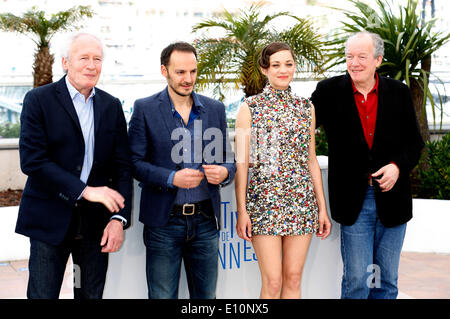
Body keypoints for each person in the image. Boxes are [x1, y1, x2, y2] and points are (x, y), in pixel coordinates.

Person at [15, 33, 133, 299]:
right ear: (65, 62)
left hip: (94, 226)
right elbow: (33, 161)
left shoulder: (111, 106)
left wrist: (118, 218)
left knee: (90, 295)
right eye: (84, 58)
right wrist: (85, 190)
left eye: (97, 59)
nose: (92, 65)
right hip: (49, 219)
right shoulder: (38, 100)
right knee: (43, 295)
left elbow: (122, 167)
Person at [310, 31, 424, 299]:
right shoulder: (328, 91)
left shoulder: (399, 92)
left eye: (362, 56)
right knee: (357, 281)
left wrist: (397, 167)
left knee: (387, 282)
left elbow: (415, 144)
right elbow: (301, 127)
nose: (355, 63)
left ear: (378, 60)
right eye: (350, 57)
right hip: (353, 202)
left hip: (393, 199)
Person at [128, 42, 236, 299]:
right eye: (180, 72)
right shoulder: (145, 108)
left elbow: (229, 160)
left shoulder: (215, 109)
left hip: (206, 220)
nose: (188, 79)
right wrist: (171, 178)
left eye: (193, 72)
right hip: (164, 223)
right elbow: (133, 162)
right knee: (162, 296)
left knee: (205, 298)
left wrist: (224, 173)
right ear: (164, 71)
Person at [235, 42, 331, 299]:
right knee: (273, 282)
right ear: (264, 69)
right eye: (276, 65)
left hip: (301, 202)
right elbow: (241, 163)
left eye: (288, 64)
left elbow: (310, 159)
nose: (283, 70)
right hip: (264, 202)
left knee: (293, 278)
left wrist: (322, 209)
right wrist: (242, 210)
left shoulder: (305, 107)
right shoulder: (250, 107)